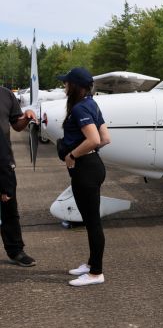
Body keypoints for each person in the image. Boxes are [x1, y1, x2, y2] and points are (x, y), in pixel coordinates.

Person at [56, 67, 111, 286]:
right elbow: (106, 138)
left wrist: (72, 154)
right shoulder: (91, 104)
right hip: (93, 166)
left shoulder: (80, 109)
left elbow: (95, 139)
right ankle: (90, 264)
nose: (64, 86)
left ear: (75, 86)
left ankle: (96, 273)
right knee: (90, 221)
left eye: (66, 83)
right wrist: (87, 151)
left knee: (93, 222)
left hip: (85, 170)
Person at [0, 85, 37, 267]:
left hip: (3, 163)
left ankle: (16, 251)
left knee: (9, 210)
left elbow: (17, 125)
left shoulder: (6, 95)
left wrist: (27, 117)